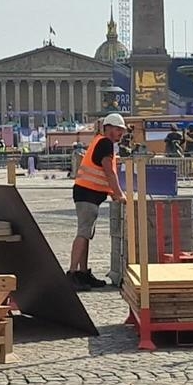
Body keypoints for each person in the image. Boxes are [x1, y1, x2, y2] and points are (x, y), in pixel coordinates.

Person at [68, 112, 126, 286]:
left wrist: (110, 192)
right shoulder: (105, 143)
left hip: (88, 193)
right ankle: (72, 273)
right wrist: (119, 193)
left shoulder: (99, 142)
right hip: (87, 193)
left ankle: (83, 272)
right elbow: (109, 171)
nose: (121, 134)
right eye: (118, 130)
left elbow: (100, 172)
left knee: (86, 234)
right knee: (83, 233)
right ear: (108, 128)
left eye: (122, 131)